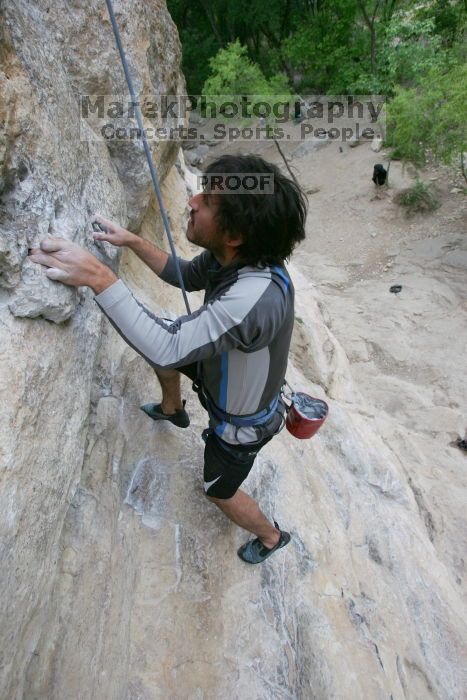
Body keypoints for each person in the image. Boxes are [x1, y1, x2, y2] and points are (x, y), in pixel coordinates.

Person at [29, 154, 307, 564]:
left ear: (234, 235)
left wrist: (98, 276)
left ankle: (271, 536)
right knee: (169, 345)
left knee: (219, 492)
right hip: (220, 371)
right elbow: (187, 276)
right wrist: (133, 240)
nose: (192, 201)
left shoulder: (254, 299)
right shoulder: (238, 257)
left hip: (239, 424)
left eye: (207, 201)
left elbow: (164, 345)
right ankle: (173, 408)